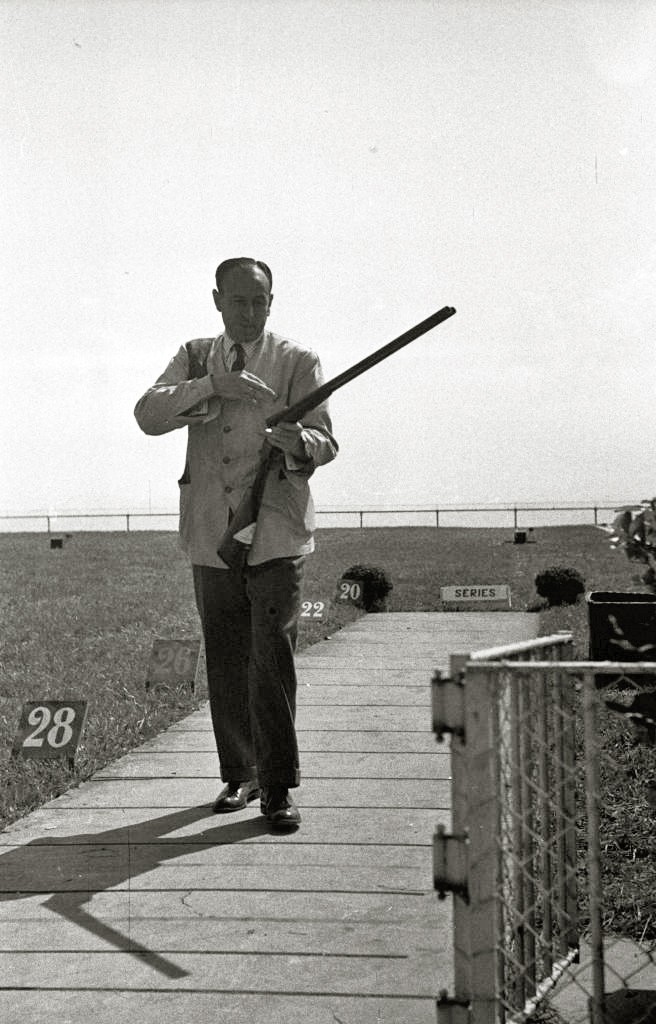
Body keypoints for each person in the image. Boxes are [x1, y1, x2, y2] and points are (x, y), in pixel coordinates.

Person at [134, 258, 338, 829]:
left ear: (272, 302)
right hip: (211, 533)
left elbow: (325, 442)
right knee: (225, 658)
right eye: (239, 300)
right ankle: (239, 775)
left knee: (271, 658)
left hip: (275, 532)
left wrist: (299, 442)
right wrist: (212, 386)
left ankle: (277, 787)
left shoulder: (298, 360)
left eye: (260, 301)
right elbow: (147, 414)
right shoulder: (196, 355)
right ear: (217, 300)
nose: (250, 312)